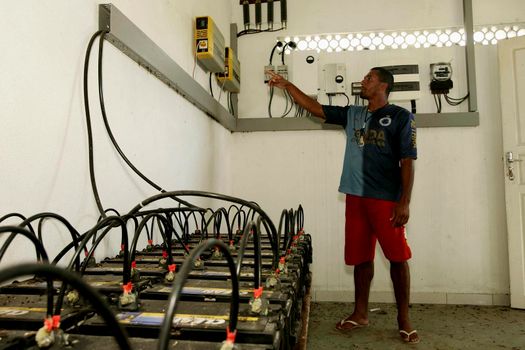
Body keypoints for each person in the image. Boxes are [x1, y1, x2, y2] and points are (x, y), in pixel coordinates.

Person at [268, 67, 419, 344]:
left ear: (383, 85)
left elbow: (408, 161)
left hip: (386, 199)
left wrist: (404, 202)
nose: (363, 81)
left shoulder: (401, 117)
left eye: (369, 78)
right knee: (361, 258)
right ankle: (360, 313)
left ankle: (404, 319)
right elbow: (315, 108)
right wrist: (288, 86)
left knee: (397, 258)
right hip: (355, 197)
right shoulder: (354, 114)